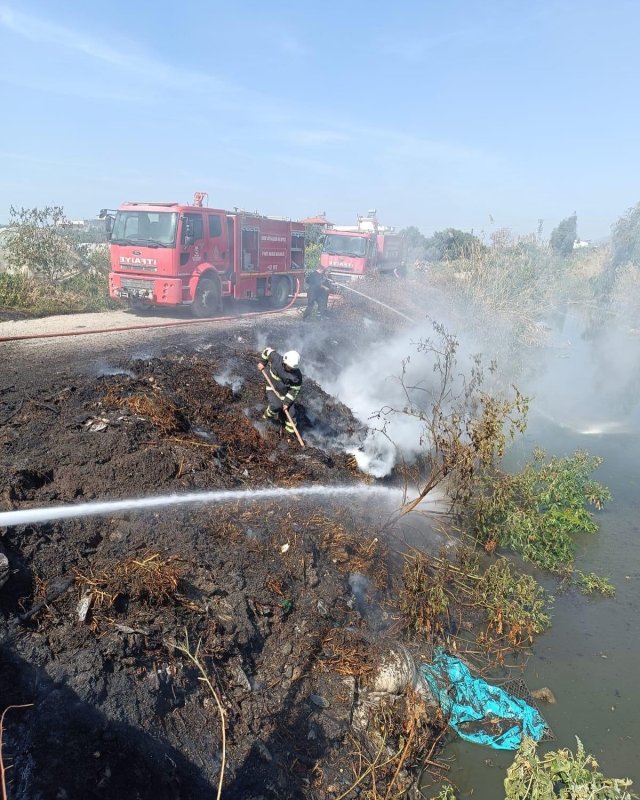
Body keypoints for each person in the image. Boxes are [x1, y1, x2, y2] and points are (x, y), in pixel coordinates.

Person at [257, 347, 302, 435]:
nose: (290, 370)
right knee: (276, 405)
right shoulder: (276, 359)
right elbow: (267, 351)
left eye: (292, 369)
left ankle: (289, 435)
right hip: (272, 387)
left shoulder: (297, 377)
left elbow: (294, 391)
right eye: (288, 367)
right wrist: (262, 362)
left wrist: (286, 402)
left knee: (292, 416)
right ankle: (266, 416)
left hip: (285, 394)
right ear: (284, 361)